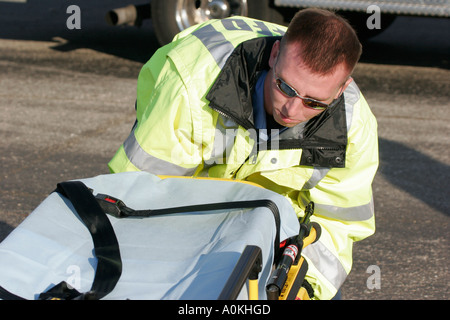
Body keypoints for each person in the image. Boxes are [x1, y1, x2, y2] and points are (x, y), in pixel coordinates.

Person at [108, 8, 379, 300]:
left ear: (341, 90)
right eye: (285, 87)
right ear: (275, 55)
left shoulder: (353, 127)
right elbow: (141, 195)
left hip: (271, 221)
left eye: (314, 103)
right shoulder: (193, 84)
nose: (291, 110)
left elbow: (335, 224)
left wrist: (303, 286)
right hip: (186, 202)